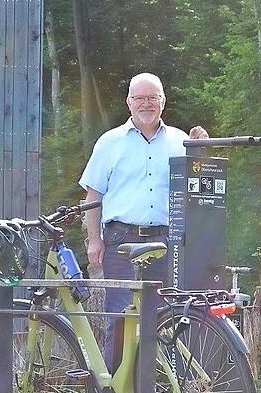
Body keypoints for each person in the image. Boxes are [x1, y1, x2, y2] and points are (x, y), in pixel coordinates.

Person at [79, 73, 208, 370]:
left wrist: (202, 149)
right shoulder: (109, 142)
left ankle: (164, 391)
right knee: (120, 316)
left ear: (163, 101)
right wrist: (94, 240)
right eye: (140, 98)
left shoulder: (180, 141)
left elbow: (199, 186)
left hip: (165, 240)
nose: (146, 104)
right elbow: (93, 195)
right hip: (119, 239)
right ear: (129, 103)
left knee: (167, 315)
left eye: (153, 97)